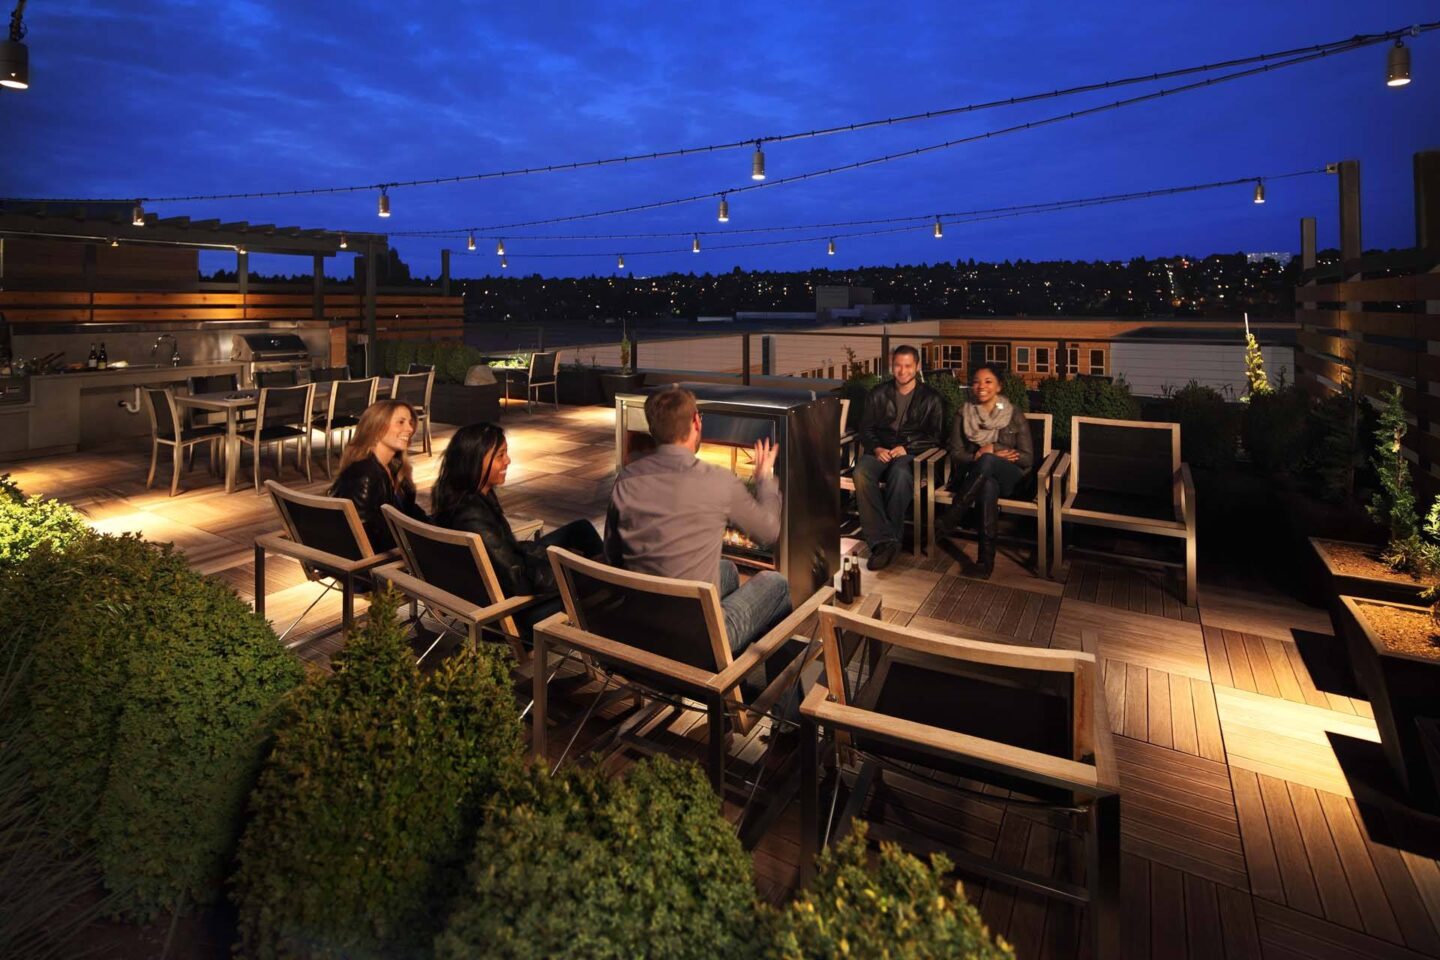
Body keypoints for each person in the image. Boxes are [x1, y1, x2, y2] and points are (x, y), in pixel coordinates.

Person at [604, 386, 792, 656]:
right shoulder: (717, 480)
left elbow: (613, 556)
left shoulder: (626, 479)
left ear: (653, 428)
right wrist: (764, 481)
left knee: (726, 568)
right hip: (698, 644)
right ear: (695, 421)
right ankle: (767, 694)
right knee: (776, 584)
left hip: (637, 629)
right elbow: (769, 532)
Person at [431, 422, 604, 638]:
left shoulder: (464, 493)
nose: (508, 461)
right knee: (608, 576)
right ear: (474, 461)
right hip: (513, 617)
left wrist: (546, 556)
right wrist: (576, 570)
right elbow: (517, 579)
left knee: (581, 530)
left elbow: (504, 554)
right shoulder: (471, 517)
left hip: (504, 587)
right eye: (500, 455)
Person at [934, 363, 1034, 578]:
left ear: (998, 387)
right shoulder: (963, 413)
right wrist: (979, 456)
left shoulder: (1014, 414)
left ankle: (954, 515)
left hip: (1012, 478)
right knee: (987, 483)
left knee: (989, 460)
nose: (981, 386)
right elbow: (955, 453)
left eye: (988, 381)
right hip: (974, 476)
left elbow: (1027, 458)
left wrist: (994, 450)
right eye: (977, 381)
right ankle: (985, 562)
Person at [851, 345, 945, 571]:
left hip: (910, 454)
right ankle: (886, 540)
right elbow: (866, 429)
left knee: (901, 473)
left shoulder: (932, 399)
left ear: (917, 367)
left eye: (908, 366)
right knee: (861, 473)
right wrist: (876, 449)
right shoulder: (878, 393)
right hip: (881, 450)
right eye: (898, 366)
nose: (902, 371)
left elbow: (937, 436)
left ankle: (884, 544)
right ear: (892, 366)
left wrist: (908, 447)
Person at [329, 399, 428, 553]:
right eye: (400, 422)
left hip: (400, 547)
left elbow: (409, 511)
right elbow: (363, 537)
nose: (410, 429)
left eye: (410, 422)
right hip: (379, 564)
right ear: (377, 427)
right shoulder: (364, 475)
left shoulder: (396, 467)